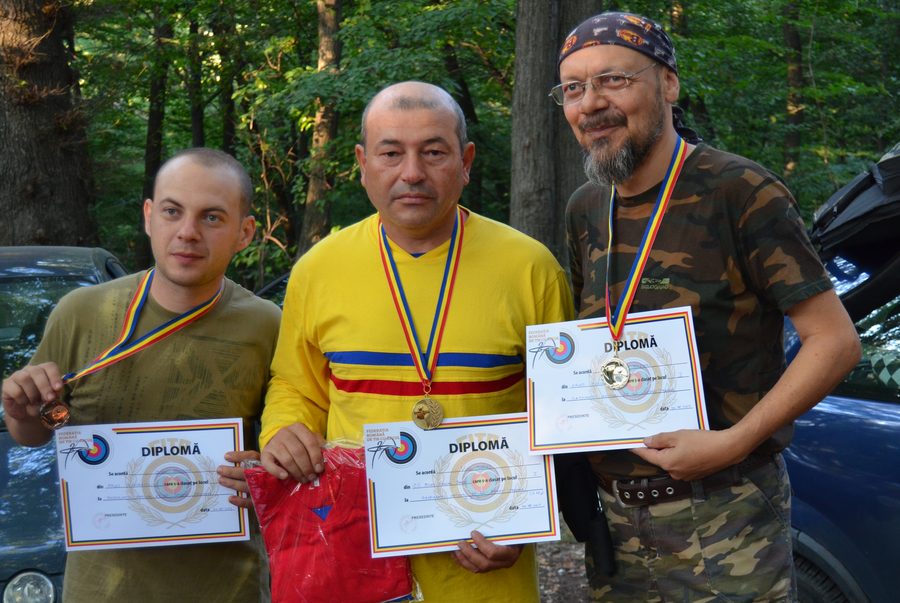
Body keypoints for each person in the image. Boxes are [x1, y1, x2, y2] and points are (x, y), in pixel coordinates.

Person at [553, 11, 861, 602]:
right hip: (615, 524)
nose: (591, 103)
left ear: (668, 84)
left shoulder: (739, 190)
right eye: (573, 88)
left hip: (726, 513)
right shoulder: (585, 207)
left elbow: (835, 341)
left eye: (614, 79)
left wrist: (735, 441)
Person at [259, 81, 574, 602]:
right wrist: (282, 430)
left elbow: (563, 418)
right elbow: (296, 384)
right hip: (354, 555)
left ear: (465, 161)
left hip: (483, 562)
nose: (412, 173)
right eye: (390, 153)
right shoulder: (318, 270)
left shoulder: (530, 268)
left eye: (433, 152)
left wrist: (525, 519)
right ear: (362, 163)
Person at [1, 148, 281, 602]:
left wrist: (267, 478)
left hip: (227, 589)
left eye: (212, 217)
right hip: (100, 591)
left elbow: (286, 450)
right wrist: (23, 411)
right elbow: (44, 427)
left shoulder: (268, 326)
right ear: (149, 216)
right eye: (172, 211)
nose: (187, 232)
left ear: (244, 232)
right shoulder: (82, 313)